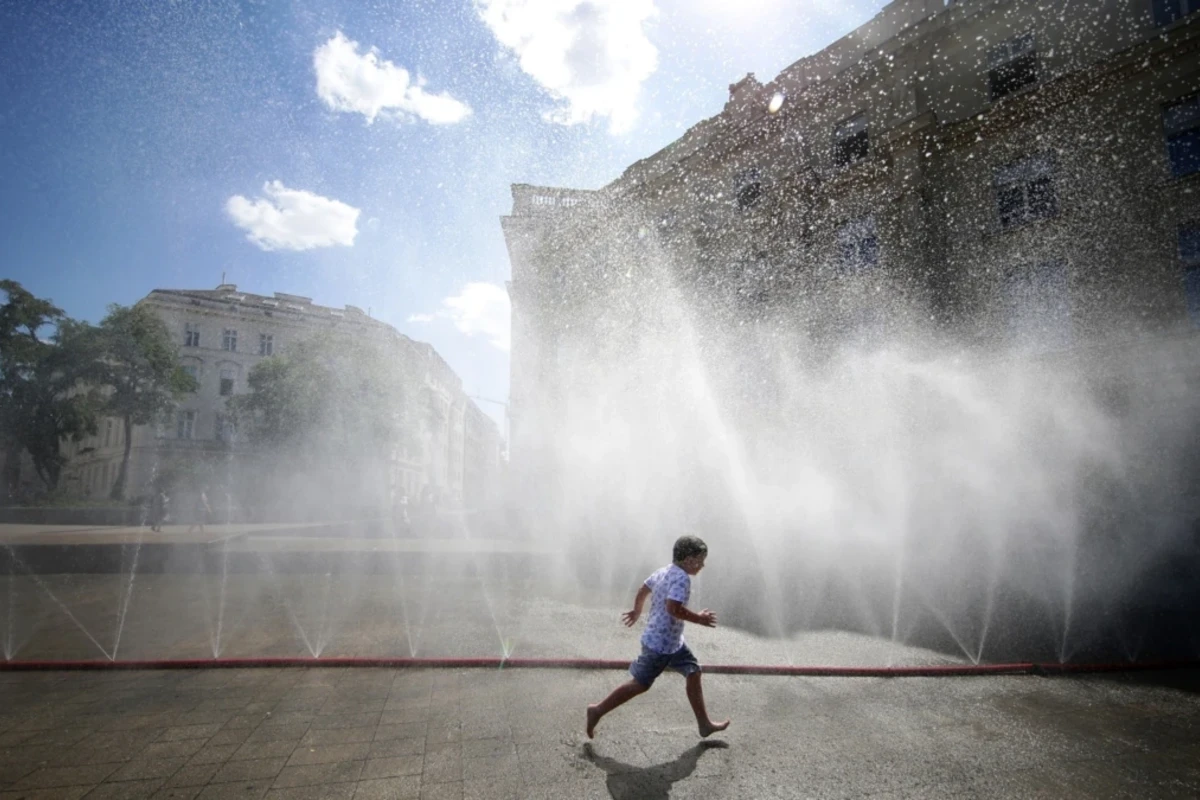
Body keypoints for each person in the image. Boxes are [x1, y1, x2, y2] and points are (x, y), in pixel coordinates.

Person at [586, 535, 730, 739]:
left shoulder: (664, 571)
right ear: (688, 559)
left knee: (693, 671)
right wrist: (699, 619)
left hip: (671, 642)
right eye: (700, 560)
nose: (702, 565)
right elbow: (673, 608)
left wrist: (637, 611)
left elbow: (643, 588)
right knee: (640, 684)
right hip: (660, 646)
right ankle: (597, 710)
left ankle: (704, 724)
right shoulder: (682, 578)